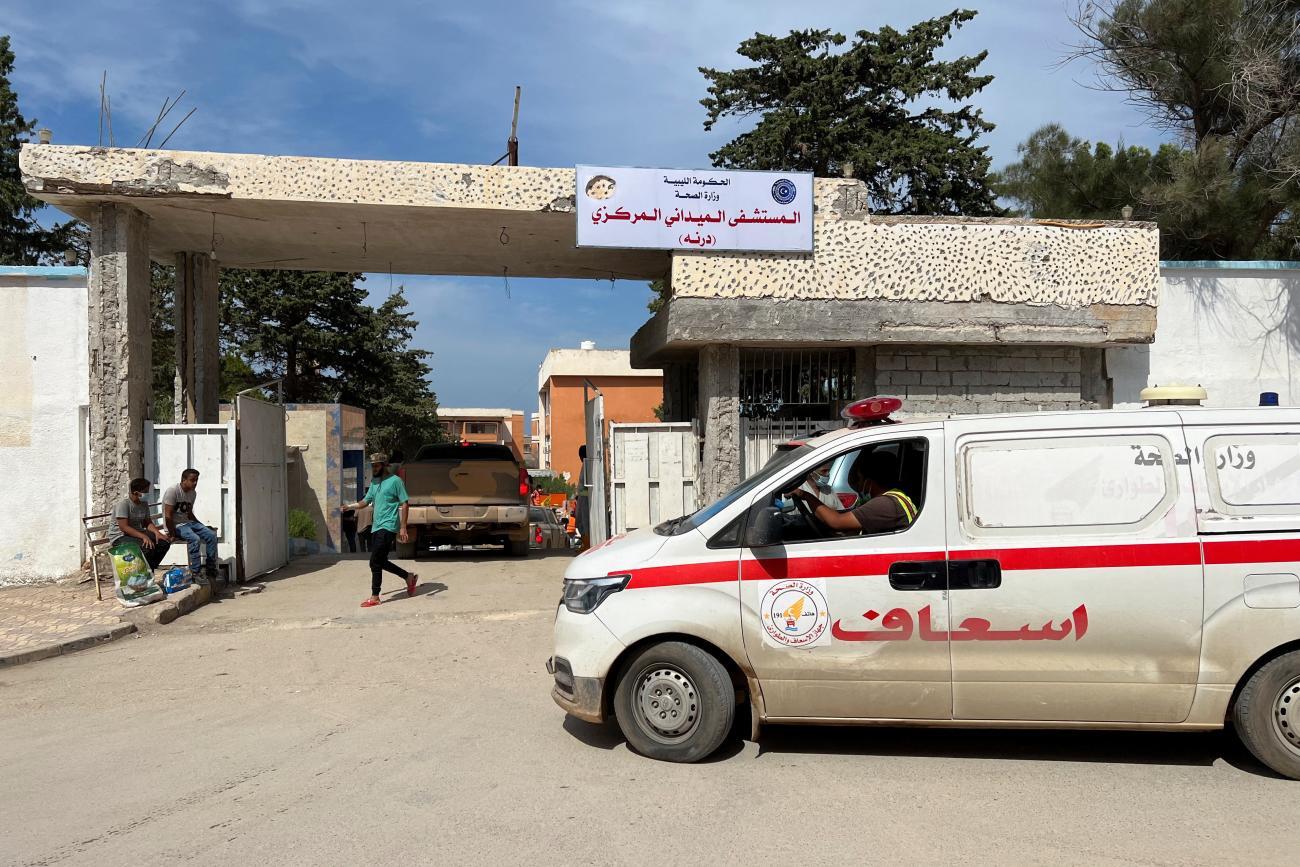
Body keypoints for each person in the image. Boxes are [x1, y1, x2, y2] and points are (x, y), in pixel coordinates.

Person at [342, 453, 417, 608]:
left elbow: (405, 503)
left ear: (384, 465)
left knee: (374, 561)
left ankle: (375, 596)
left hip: (389, 526)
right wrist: (349, 506)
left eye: (377, 465)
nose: (374, 468)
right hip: (376, 526)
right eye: (372, 466)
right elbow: (365, 502)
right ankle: (408, 577)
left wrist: (403, 527)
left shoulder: (396, 481)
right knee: (380, 561)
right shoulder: (375, 482)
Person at [790, 450, 917, 533]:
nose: (859, 485)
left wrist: (805, 495)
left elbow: (836, 522)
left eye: (860, 479)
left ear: (870, 481)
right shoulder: (893, 498)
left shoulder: (885, 504)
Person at [164, 468, 219, 582]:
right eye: (192, 480)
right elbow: (168, 516)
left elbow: (189, 513)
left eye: (196, 480)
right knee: (195, 539)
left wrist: (201, 526)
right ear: (184, 480)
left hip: (189, 523)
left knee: (211, 535)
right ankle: (195, 572)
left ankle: (210, 568)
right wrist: (172, 533)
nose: (195, 483)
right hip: (176, 526)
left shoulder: (193, 493)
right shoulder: (173, 491)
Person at [108, 477, 172, 570]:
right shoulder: (123, 504)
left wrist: (157, 533)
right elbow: (124, 527)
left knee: (164, 543)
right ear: (136, 492)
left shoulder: (143, 504)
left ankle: (150, 570)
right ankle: (143, 573)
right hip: (120, 536)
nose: (147, 494)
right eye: (145, 491)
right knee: (147, 547)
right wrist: (144, 536)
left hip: (136, 533)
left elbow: (147, 522)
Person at [575, 445, 591, 551]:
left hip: (585, 497)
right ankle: (585, 543)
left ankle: (587, 544)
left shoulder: (587, 465)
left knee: (584, 522)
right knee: (580, 521)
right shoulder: (585, 465)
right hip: (581, 496)